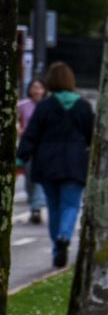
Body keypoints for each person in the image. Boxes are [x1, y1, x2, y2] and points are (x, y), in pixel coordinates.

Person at [18, 61, 95, 269]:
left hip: (48, 163)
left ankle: (56, 248)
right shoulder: (83, 106)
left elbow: (31, 134)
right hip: (74, 162)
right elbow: (92, 136)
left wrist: (21, 157)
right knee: (70, 205)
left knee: (53, 207)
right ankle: (64, 236)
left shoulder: (44, 107)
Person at [15, 77, 47, 225]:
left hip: (43, 146)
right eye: (34, 87)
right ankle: (33, 202)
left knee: (40, 177)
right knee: (29, 177)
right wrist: (18, 128)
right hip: (28, 145)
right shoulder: (23, 105)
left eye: (39, 87)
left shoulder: (48, 106)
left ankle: (36, 207)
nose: (36, 91)